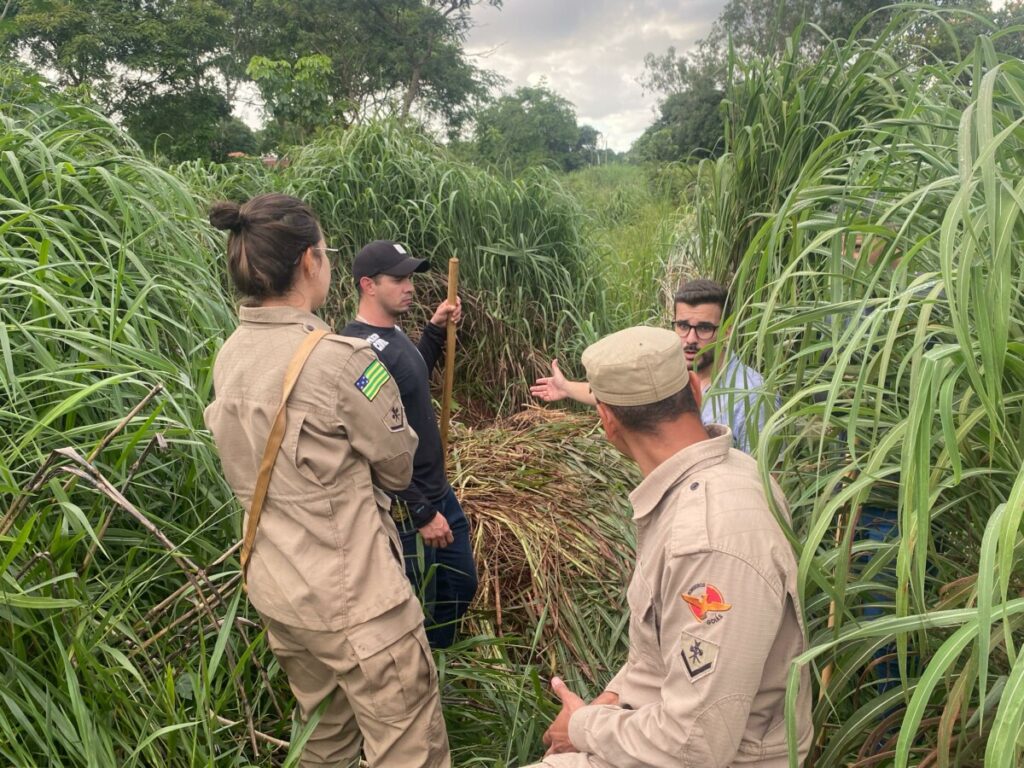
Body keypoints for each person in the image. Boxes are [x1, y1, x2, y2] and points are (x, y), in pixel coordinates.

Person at [204, 196, 449, 767]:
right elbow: (397, 466)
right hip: (358, 600)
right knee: (409, 747)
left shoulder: (230, 354)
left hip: (279, 591)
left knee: (323, 741)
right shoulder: (343, 361)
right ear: (311, 262)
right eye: (326, 252)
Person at [524, 326, 813, 768]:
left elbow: (696, 746)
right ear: (695, 390)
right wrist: (612, 698)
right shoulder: (737, 470)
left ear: (607, 420)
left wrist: (583, 727)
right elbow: (670, 651)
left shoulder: (707, 541)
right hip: (666, 725)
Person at [342, 240, 478, 649]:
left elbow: (410, 378)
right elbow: (373, 444)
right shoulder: (359, 352)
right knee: (418, 600)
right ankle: (425, 671)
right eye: (398, 279)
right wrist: (420, 511)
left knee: (460, 584)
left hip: (437, 490)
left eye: (410, 277)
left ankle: (442, 657)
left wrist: (435, 331)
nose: (410, 286)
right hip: (408, 505)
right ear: (368, 284)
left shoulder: (390, 334)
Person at [531, 279, 771, 453]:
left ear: (727, 331)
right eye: (683, 326)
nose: (690, 339)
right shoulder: (670, 371)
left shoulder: (750, 394)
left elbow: (767, 480)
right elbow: (627, 397)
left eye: (705, 328)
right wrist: (565, 387)